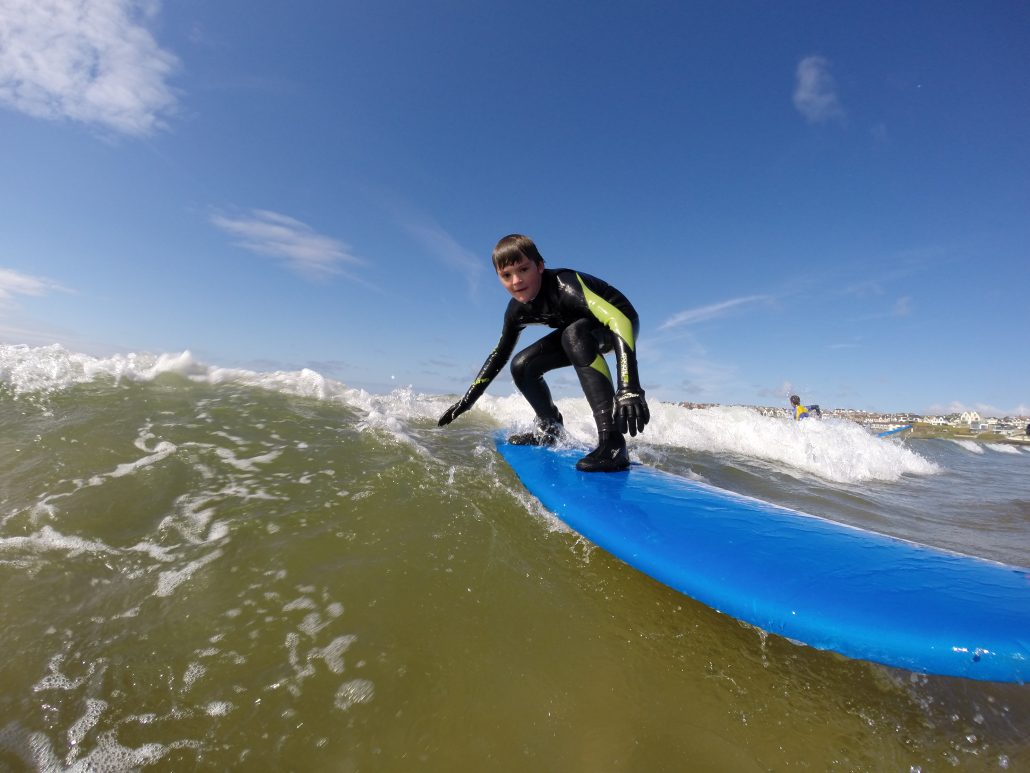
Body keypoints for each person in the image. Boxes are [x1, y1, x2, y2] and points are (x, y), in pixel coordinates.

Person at [437, 234, 649, 472]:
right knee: (522, 365)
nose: (516, 281)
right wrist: (467, 401)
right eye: (506, 275)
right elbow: (499, 354)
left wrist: (629, 388)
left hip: (618, 327)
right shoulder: (516, 310)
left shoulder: (566, 285)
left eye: (523, 269)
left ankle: (613, 443)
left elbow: (617, 319)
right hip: (578, 334)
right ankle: (550, 430)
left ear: (539, 266)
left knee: (574, 335)